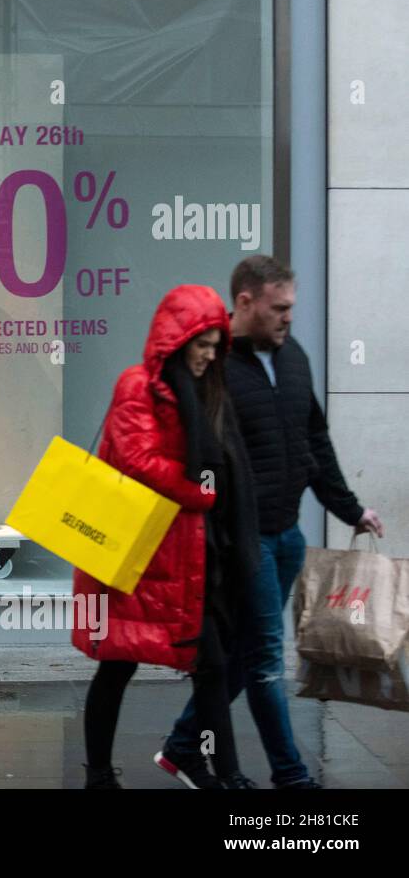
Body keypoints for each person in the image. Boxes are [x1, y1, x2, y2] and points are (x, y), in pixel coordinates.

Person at [157, 256, 384, 789]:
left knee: (243, 651)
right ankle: (293, 777)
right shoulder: (214, 367)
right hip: (245, 538)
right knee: (264, 657)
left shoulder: (295, 358)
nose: (288, 318)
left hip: (288, 534)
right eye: (279, 308)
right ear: (245, 302)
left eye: (291, 308)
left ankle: (181, 745)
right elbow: (196, 457)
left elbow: (315, 443)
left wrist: (350, 509)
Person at [74, 285, 258, 789]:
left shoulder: (201, 394)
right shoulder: (137, 385)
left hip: (183, 561)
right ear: (175, 341)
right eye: (201, 343)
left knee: (213, 666)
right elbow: (138, 463)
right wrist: (198, 493)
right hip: (132, 555)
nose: (208, 354)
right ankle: (98, 774)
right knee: (117, 664)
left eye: (215, 345)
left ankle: (229, 774)